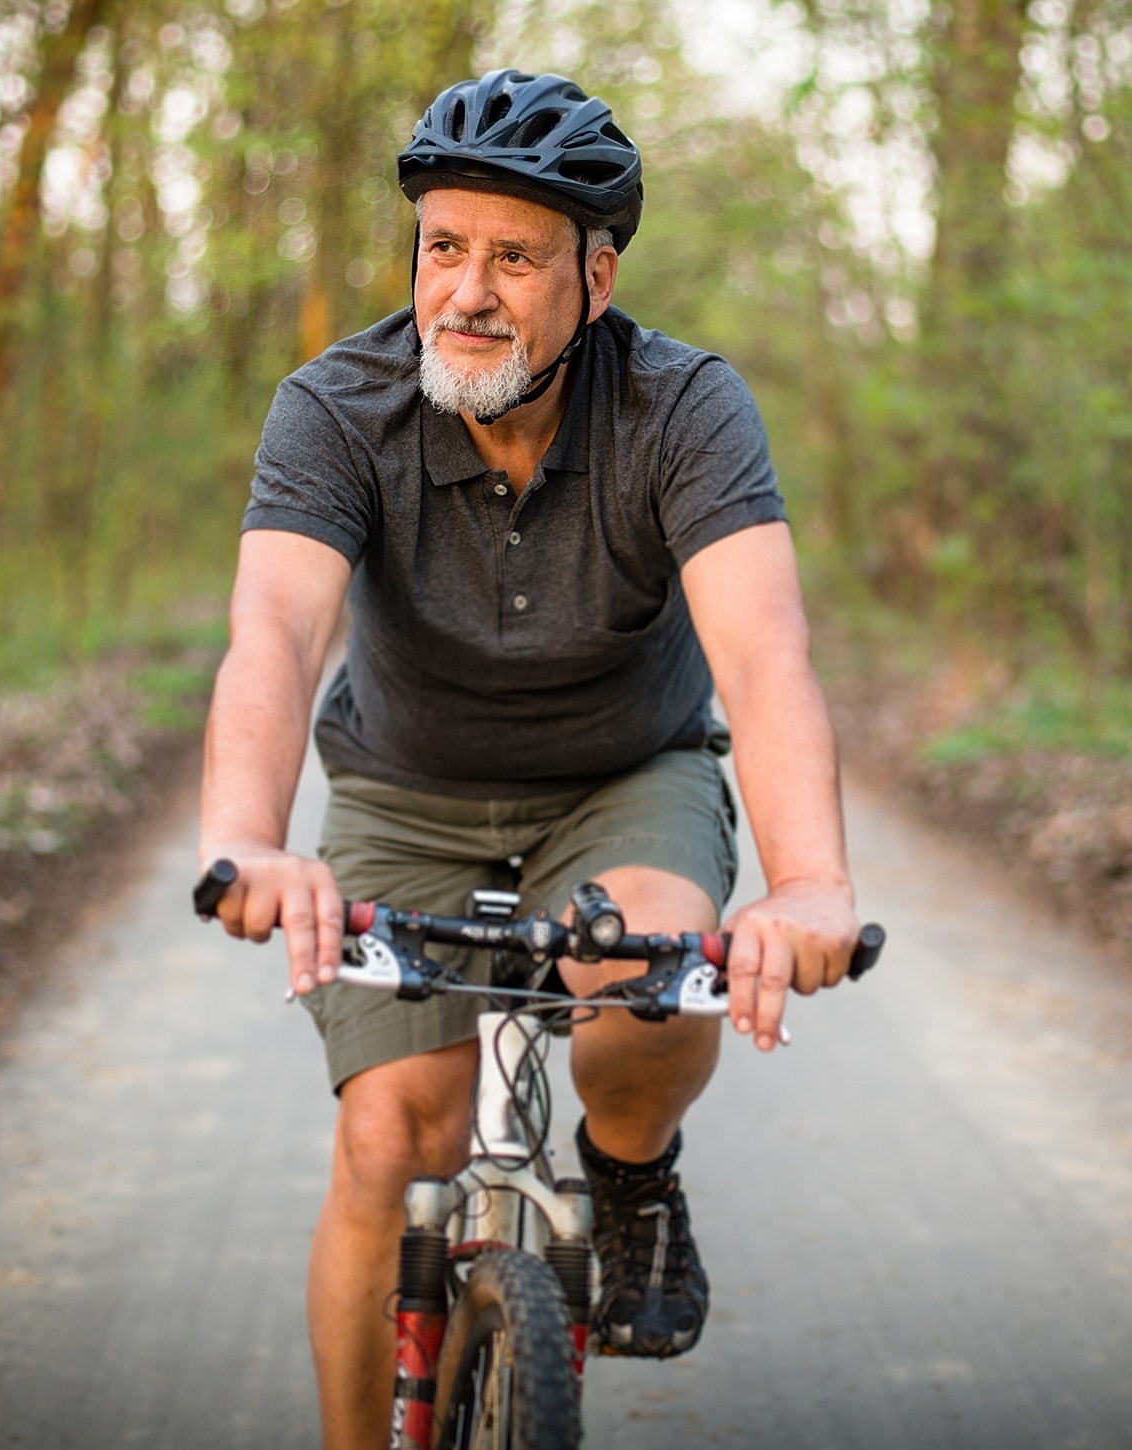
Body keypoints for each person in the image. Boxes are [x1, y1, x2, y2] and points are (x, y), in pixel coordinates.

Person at [199, 68, 860, 1450]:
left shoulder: (684, 410)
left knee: (640, 983)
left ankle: (631, 1175)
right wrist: (251, 835)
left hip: (627, 775)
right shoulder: (338, 406)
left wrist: (805, 881)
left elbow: (764, 656)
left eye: (515, 255)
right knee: (394, 1133)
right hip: (404, 787)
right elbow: (273, 630)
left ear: (596, 276)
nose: (468, 291)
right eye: (446, 246)